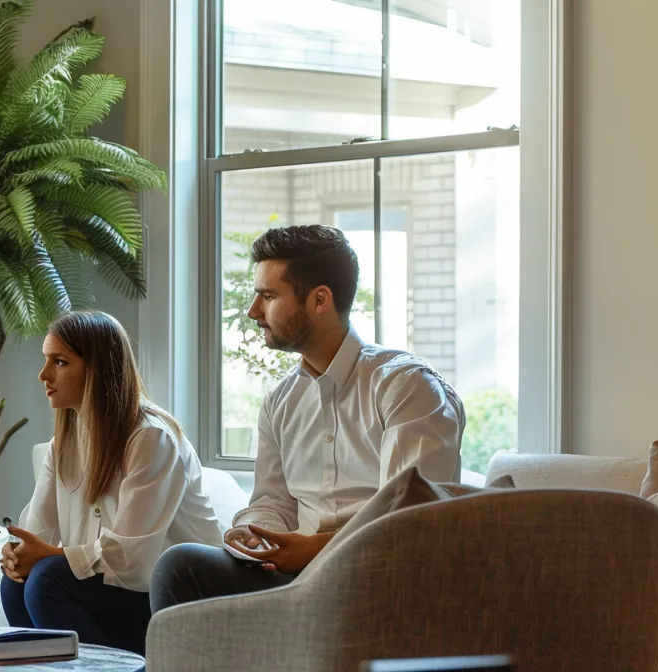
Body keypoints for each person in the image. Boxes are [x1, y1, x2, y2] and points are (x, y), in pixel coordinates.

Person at [149, 224, 463, 612]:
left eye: (267, 296)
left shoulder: (406, 386)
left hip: (378, 570)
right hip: (293, 573)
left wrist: (315, 549)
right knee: (179, 567)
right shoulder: (281, 401)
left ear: (319, 300)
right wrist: (257, 534)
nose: (253, 312)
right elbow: (273, 500)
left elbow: (411, 514)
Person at [0, 311, 220, 655]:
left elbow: (133, 561)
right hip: (115, 596)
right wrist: (18, 555)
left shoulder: (152, 438)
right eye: (47, 361)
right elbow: (36, 532)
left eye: (59, 362)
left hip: (173, 604)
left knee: (46, 581)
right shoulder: (64, 444)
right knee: (17, 584)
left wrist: (48, 557)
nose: (44, 375)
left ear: (98, 369)